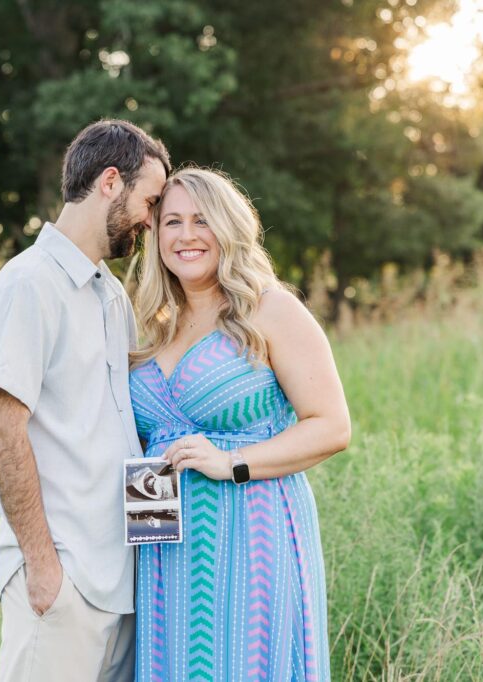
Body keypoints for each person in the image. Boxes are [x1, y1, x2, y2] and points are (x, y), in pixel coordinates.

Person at [128, 167, 351, 680]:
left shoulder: (270, 310)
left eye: (202, 220)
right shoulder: (151, 325)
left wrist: (232, 463)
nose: (186, 236)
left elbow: (332, 425)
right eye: (172, 221)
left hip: (251, 534)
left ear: (229, 227)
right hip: (163, 549)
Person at [0, 119, 169, 681]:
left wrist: (151, 553)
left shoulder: (112, 295)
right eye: (150, 201)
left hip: (122, 581)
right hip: (63, 581)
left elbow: (129, 431)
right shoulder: (28, 284)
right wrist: (42, 566)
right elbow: (3, 428)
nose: (152, 222)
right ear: (111, 181)